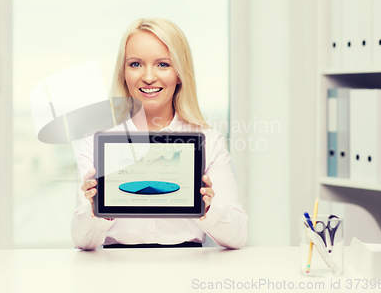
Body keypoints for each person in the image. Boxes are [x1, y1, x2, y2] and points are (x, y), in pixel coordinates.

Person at [71, 18, 248, 250]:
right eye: (135, 64)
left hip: (186, 271)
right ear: (123, 72)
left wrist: (207, 208)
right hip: (115, 273)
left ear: (180, 73)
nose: (148, 77)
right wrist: (96, 209)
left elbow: (237, 237)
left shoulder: (208, 140)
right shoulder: (96, 140)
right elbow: (82, 241)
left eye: (163, 64)